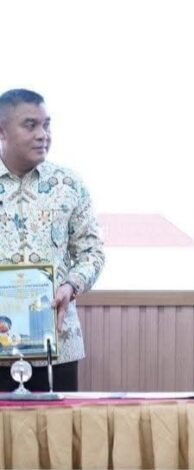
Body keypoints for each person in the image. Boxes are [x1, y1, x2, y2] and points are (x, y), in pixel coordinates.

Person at [0, 88, 105, 391]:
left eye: (47, 125)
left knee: (58, 424)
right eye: (30, 125)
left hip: (57, 345)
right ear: (2, 130)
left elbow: (93, 252)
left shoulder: (69, 185)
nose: (42, 135)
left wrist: (70, 286)